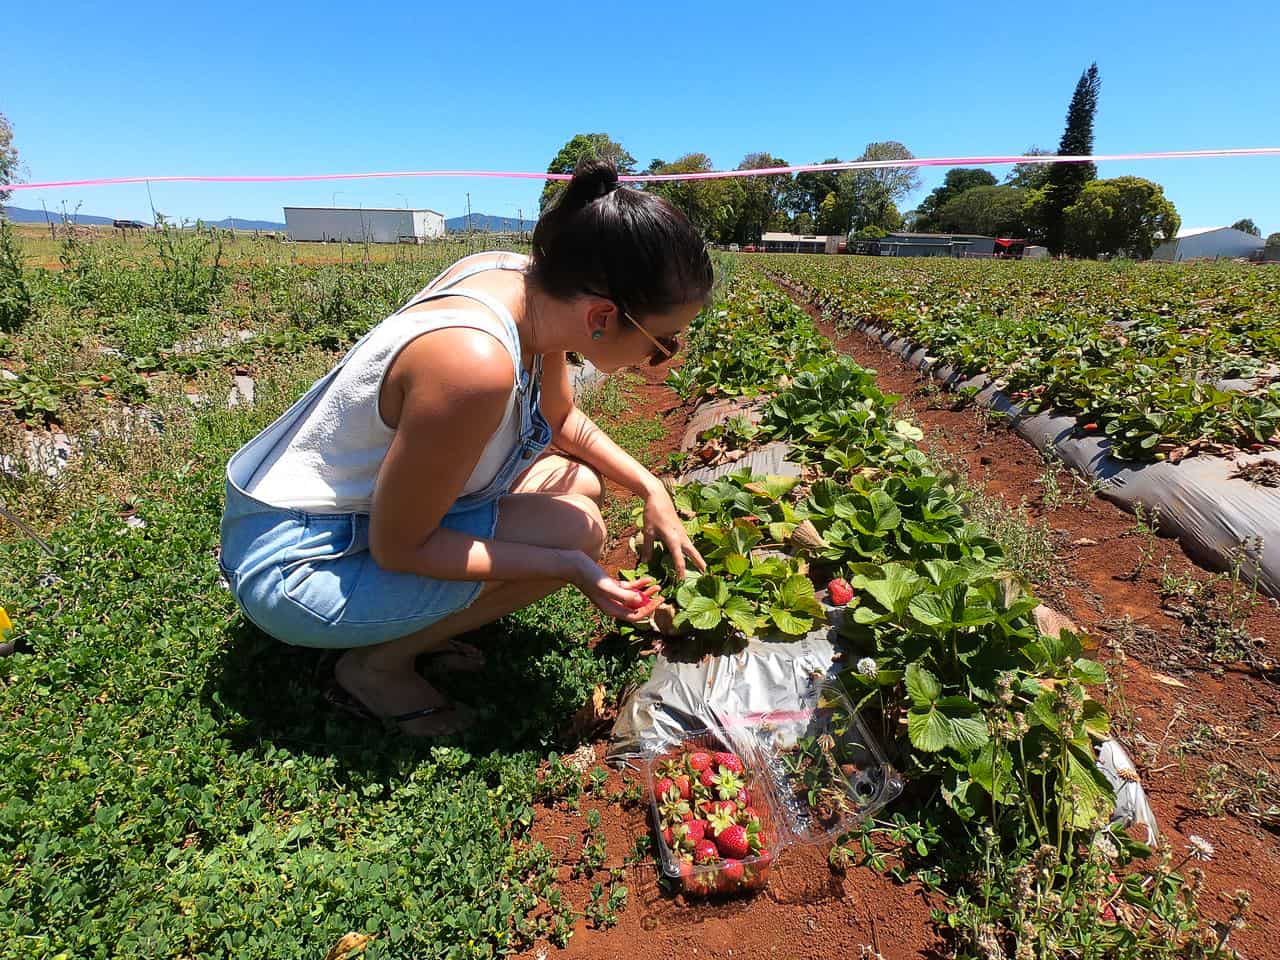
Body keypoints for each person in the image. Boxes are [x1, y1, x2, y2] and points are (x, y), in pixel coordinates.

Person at [219, 160, 712, 736]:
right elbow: (400, 547)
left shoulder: (532, 285)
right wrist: (568, 568)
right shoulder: (473, 363)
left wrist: (651, 488)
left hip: (356, 515)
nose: (665, 357)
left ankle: (416, 621)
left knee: (581, 484)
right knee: (577, 534)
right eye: (664, 342)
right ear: (602, 316)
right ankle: (377, 666)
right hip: (303, 560)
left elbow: (559, 419)